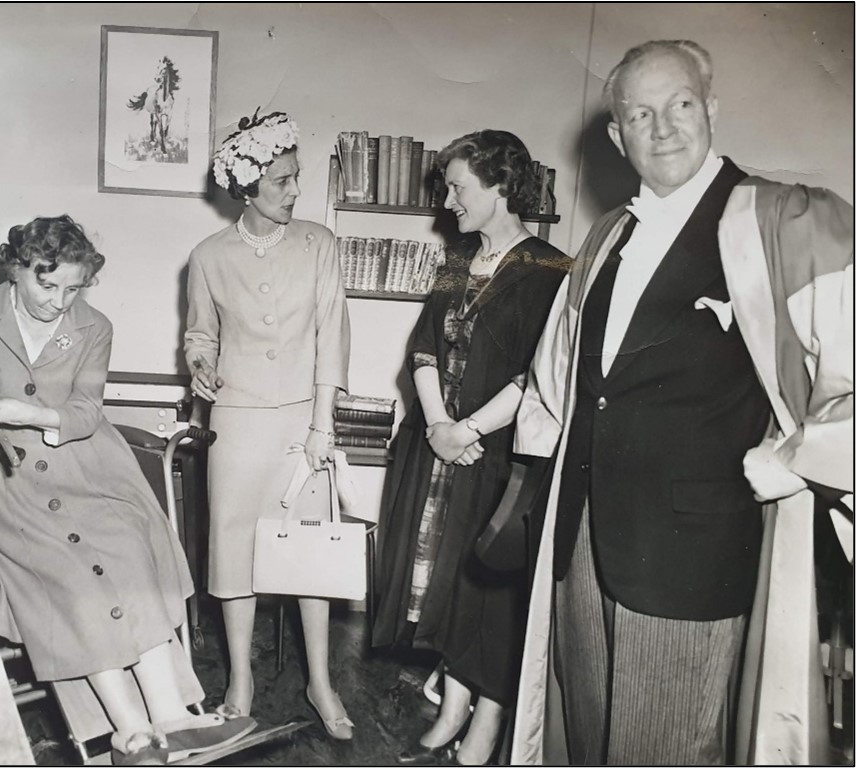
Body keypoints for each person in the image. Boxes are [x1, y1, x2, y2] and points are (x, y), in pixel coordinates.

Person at [511, 40, 853, 765]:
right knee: (588, 746)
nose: (662, 128)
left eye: (681, 105)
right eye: (640, 114)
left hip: (691, 558)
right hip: (582, 546)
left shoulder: (783, 222)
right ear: (617, 136)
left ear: (712, 109)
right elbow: (560, 381)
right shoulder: (605, 236)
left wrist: (800, 457)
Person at [0, 215, 255, 766]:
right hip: (5, 470)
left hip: (85, 464)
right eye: (47, 285)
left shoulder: (94, 326)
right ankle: (130, 733)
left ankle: (171, 716)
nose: (58, 302)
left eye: (72, 289)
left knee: (128, 546)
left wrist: (25, 411)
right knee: (67, 569)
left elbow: (84, 410)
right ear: (16, 268)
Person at [372, 130, 569, 766]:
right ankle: (453, 707)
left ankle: (487, 720)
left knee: (490, 595)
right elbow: (424, 347)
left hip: (498, 456)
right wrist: (438, 425)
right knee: (451, 585)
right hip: (438, 445)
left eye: (458, 187)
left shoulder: (551, 270)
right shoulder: (457, 260)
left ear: (500, 186)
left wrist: (469, 430)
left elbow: (541, 372)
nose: (448, 201)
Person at [184, 110, 354, 739]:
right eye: (282, 180)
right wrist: (200, 365)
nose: (295, 190)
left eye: (295, 176)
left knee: (309, 550)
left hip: (303, 423)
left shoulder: (319, 244)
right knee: (234, 548)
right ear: (246, 187)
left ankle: (321, 682)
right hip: (237, 421)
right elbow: (199, 335)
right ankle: (240, 681)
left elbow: (332, 337)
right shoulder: (208, 256)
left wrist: (321, 426)